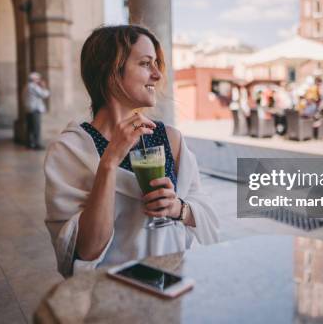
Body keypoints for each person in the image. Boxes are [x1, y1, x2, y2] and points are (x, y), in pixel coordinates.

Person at [43, 25, 219, 277]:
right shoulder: (69, 150)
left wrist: (178, 208)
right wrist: (109, 162)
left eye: (157, 64)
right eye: (146, 64)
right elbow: (84, 252)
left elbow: (206, 213)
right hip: (111, 292)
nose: (157, 75)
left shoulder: (170, 138)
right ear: (111, 70)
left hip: (171, 282)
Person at [24, 72, 50, 149]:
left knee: (30, 128)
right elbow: (44, 94)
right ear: (34, 79)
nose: (39, 81)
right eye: (38, 79)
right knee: (36, 128)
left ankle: (29, 143)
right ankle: (37, 144)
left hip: (29, 109)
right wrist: (44, 87)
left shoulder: (26, 86)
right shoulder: (33, 86)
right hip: (35, 109)